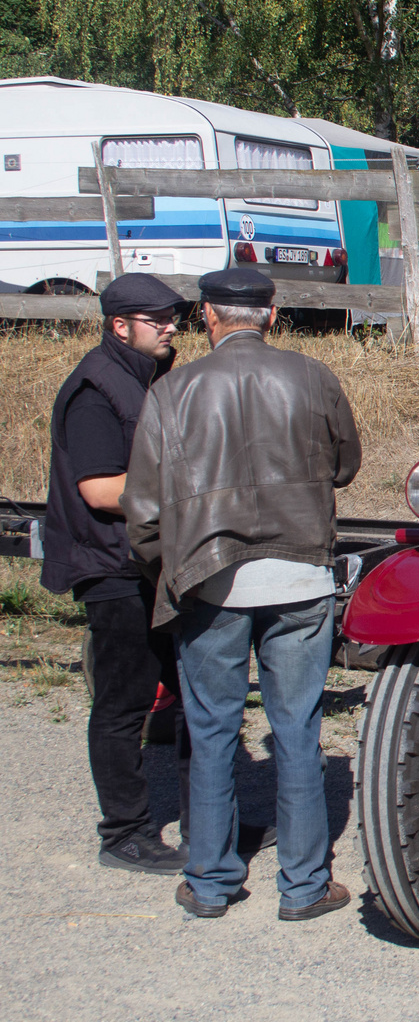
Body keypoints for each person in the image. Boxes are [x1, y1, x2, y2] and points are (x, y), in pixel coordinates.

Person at [123, 268, 362, 921]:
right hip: (300, 574)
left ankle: (211, 881)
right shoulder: (313, 378)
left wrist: (166, 572)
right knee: (297, 732)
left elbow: (142, 513)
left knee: (212, 731)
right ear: (273, 314)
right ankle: (306, 887)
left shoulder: (173, 391)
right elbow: (345, 465)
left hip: (209, 576)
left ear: (207, 316)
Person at [41, 274, 191, 874]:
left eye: (174, 318)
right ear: (119, 325)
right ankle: (123, 832)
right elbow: (101, 490)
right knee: (123, 703)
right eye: (157, 320)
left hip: (151, 560)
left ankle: (208, 821)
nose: (172, 327)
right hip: (111, 565)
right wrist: (192, 491)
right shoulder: (94, 390)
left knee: (186, 695)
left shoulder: (147, 379)